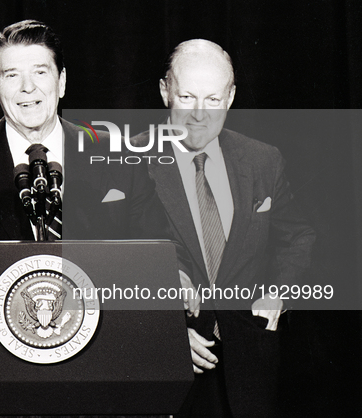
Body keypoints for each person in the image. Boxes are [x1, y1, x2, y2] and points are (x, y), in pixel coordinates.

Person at [0, 20, 190, 310]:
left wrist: (175, 273)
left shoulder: (116, 155)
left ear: (62, 81)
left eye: (40, 72)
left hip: (101, 343)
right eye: (12, 75)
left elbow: (163, 246)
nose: (28, 87)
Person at [133, 40, 315, 417]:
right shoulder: (125, 162)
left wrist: (278, 292)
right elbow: (104, 264)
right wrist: (164, 332)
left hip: (251, 370)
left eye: (213, 99)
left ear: (231, 96)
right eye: (187, 96)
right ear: (165, 90)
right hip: (163, 370)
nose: (199, 114)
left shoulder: (264, 160)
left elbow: (298, 236)